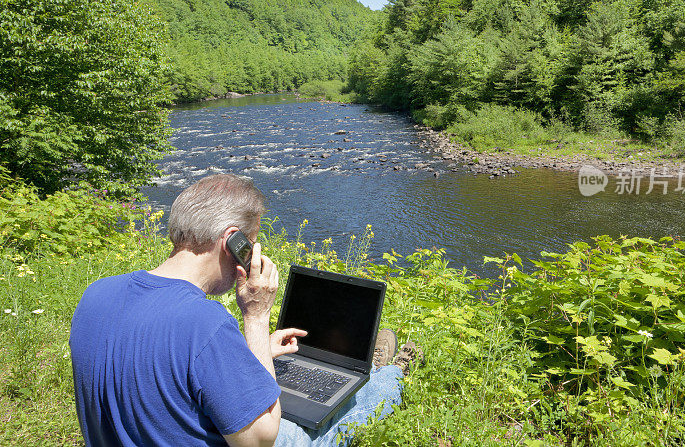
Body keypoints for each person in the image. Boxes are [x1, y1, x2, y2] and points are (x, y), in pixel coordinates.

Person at [70, 174, 422, 446]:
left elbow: (159, 360)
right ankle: (390, 372)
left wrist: (252, 351)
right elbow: (261, 438)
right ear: (233, 241)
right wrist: (255, 316)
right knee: (369, 393)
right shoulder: (204, 323)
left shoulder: (96, 293)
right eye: (250, 243)